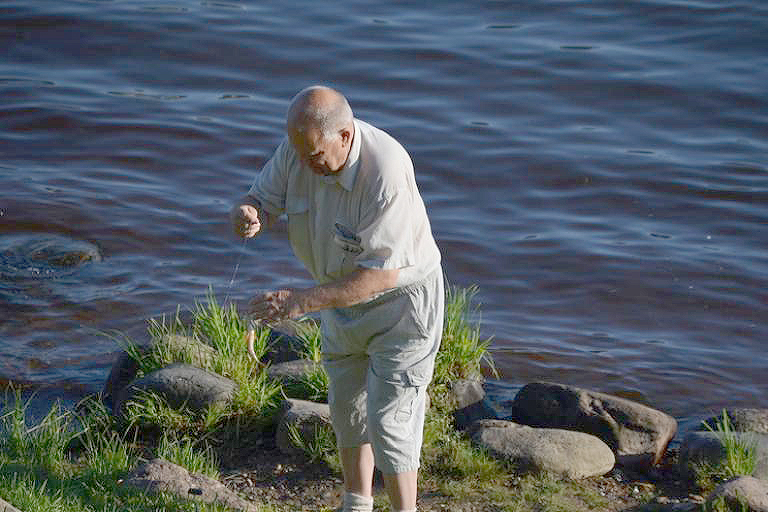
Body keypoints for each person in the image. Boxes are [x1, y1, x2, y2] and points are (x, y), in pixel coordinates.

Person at [231, 85, 443, 512]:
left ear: (345, 136)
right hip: (338, 297)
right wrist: (250, 213)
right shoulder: (299, 150)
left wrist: (301, 302)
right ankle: (356, 503)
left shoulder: (385, 170)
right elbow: (262, 200)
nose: (305, 165)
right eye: (299, 154)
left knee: (390, 420)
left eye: (315, 156)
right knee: (347, 409)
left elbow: (379, 276)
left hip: (400, 305)